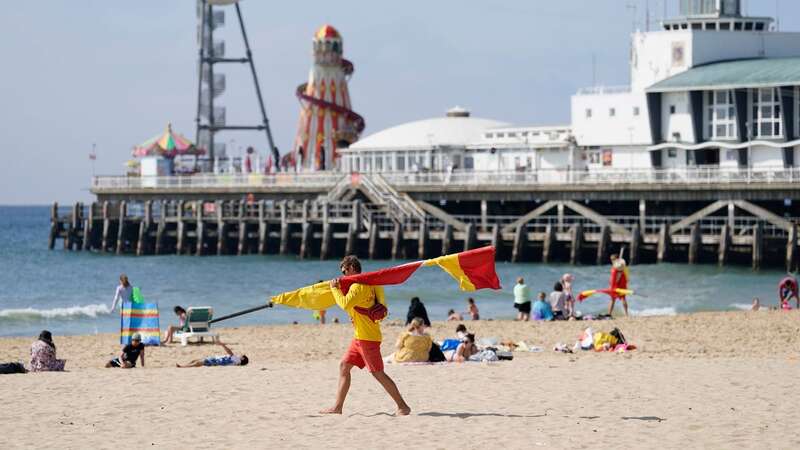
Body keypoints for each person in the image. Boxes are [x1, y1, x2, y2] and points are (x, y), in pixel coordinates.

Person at [321, 255, 410, 416]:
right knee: (344, 366)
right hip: (360, 337)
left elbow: (344, 303)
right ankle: (337, 407)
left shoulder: (357, 287)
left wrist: (334, 288)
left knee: (378, 373)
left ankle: (403, 406)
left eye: (344, 271)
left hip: (367, 338)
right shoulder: (372, 283)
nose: (343, 275)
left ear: (352, 268)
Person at [176, 341, 249, 368]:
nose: (239, 354)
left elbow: (229, 352)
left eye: (241, 355)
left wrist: (222, 345)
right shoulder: (236, 362)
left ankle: (182, 366)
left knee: (198, 362)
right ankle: (185, 365)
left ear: (242, 359)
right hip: (215, 360)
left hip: (215, 361)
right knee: (196, 361)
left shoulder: (237, 360)